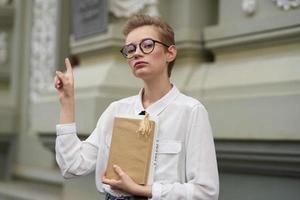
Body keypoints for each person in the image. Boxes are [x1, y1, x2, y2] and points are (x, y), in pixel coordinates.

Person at [54, 15, 219, 200]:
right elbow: (72, 166)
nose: (137, 53)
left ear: (170, 53)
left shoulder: (191, 111)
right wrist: (67, 101)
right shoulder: (116, 110)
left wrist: (145, 190)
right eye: (130, 49)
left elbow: (206, 192)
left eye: (147, 45)